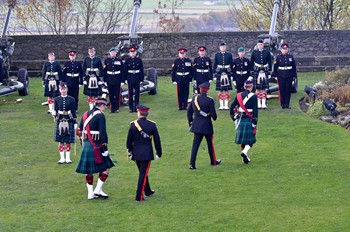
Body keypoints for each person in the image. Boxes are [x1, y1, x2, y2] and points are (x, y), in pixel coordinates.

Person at [76, 98, 115, 199]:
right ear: (101, 105)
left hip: (86, 144)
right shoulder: (100, 116)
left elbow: (80, 130)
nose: (105, 108)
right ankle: (97, 189)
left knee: (89, 170)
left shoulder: (85, 114)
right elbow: (103, 133)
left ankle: (90, 193)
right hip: (97, 145)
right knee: (106, 167)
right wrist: (105, 148)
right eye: (104, 106)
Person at [126, 104, 162, 202]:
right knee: (143, 173)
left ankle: (148, 190)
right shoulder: (152, 125)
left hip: (136, 152)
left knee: (143, 172)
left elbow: (129, 140)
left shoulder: (133, 125)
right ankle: (139, 196)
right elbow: (157, 140)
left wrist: (129, 151)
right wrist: (159, 152)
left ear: (139, 112)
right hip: (147, 153)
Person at [187, 82, 221, 169]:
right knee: (210, 144)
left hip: (197, 125)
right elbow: (214, 116)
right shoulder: (209, 100)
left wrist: (190, 122)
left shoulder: (195, 98)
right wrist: (211, 115)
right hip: (207, 125)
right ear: (207, 90)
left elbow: (189, 111)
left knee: (195, 145)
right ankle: (213, 161)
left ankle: (192, 164)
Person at [229, 78, 258, 164]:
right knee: (250, 140)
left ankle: (245, 158)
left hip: (240, 119)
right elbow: (255, 111)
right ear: (251, 87)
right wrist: (254, 122)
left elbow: (231, 107)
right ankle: (244, 152)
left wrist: (233, 118)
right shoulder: (254, 96)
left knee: (243, 140)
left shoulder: (238, 95)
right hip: (249, 119)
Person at [52, 82, 77, 164]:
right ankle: (62, 158)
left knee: (68, 141)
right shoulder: (56, 99)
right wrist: (54, 112)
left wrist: (75, 122)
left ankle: (68, 158)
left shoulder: (72, 99)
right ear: (59, 90)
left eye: (64, 89)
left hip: (69, 120)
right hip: (59, 120)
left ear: (67, 89)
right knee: (61, 141)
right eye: (61, 89)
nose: (63, 91)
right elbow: (55, 109)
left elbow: (73, 112)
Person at [273, 43, 297, 109]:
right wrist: (275, 76)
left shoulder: (290, 57)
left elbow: (294, 67)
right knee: (282, 90)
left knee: (288, 90)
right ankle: (282, 104)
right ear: (281, 50)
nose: (285, 50)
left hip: (289, 75)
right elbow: (275, 67)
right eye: (284, 49)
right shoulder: (278, 57)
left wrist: (294, 76)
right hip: (281, 76)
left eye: (286, 49)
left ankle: (287, 104)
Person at [250, 39, 272, 109]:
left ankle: (264, 102)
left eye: (261, 44)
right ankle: (258, 102)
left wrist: (270, 71)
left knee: (264, 88)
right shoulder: (254, 52)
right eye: (259, 44)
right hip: (257, 70)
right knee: (257, 88)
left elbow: (270, 62)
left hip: (265, 70)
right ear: (257, 45)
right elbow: (251, 62)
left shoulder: (267, 52)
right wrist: (251, 71)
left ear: (263, 45)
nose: (260, 46)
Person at [124, 45, 144, 113]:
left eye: (134, 52)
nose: (132, 53)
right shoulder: (127, 60)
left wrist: (141, 79)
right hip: (130, 78)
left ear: (136, 52)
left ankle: (136, 107)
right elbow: (125, 70)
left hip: (137, 77)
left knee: (137, 93)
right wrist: (125, 79)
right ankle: (131, 107)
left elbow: (141, 70)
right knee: (130, 93)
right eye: (131, 52)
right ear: (129, 52)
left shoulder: (139, 60)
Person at [213, 41, 233, 110]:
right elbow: (215, 65)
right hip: (219, 72)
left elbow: (231, 64)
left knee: (227, 89)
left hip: (227, 72)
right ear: (219, 48)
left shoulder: (229, 54)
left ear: (226, 47)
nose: (223, 48)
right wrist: (214, 75)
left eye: (224, 47)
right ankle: (221, 105)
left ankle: (226, 104)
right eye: (221, 47)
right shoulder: (217, 55)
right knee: (220, 89)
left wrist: (232, 74)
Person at [103, 47, 124, 113]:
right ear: (109, 53)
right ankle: (112, 108)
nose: (113, 53)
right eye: (111, 52)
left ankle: (117, 108)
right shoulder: (107, 60)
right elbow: (104, 71)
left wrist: (122, 80)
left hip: (117, 79)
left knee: (117, 94)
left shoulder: (119, 60)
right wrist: (105, 80)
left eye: (114, 52)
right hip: (109, 79)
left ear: (116, 53)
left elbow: (122, 70)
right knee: (111, 94)